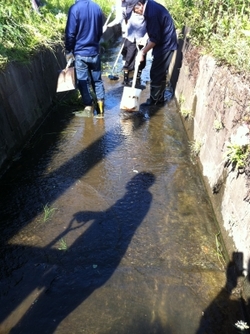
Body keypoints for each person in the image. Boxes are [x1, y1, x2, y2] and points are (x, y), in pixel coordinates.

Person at [124, 0, 178, 105]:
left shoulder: (152, 13)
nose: (135, 12)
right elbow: (154, 30)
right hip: (164, 42)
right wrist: (145, 38)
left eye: (135, 9)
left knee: (155, 72)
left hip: (165, 44)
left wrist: (142, 52)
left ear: (140, 4)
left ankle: (154, 102)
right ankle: (159, 99)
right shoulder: (150, 7)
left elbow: (155, 39)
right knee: (160, 72)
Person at [65, 0, 105, 117]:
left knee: (83, 82)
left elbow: (70, 33)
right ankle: (101, 109)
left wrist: (68, 50)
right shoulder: (97, 7)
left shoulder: (75, 9)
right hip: (94, 52)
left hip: (81, 53)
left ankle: (88, 107)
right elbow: (100, 31)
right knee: (97, 81)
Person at [107, 0, 148, 86]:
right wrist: (109, 25)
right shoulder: (128, 9)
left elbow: (150, 26)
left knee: (141, 60)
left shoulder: (147, 11)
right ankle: (126, 79)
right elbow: (120, 18)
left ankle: (137, 78)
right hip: (130, 38)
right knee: (128, 58)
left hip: (142, 39)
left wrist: (145, 38)